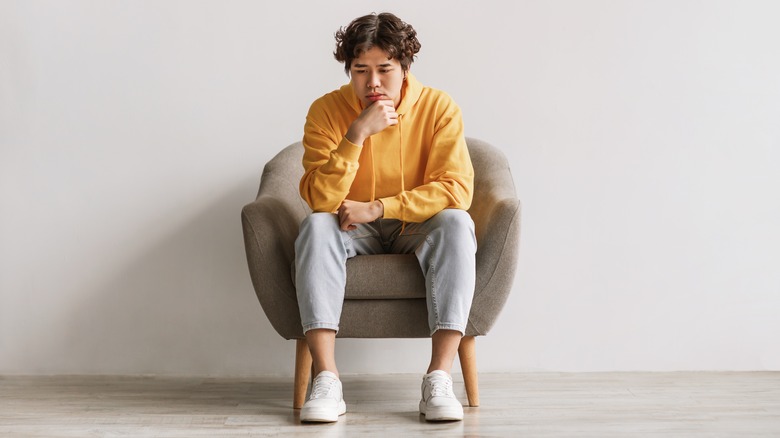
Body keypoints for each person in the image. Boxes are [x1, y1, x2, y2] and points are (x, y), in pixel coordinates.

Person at [295, 12, 476, 423]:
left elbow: (456, 190)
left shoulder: (438, 107)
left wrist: (379, 207)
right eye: (361, 70)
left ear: (405, 67)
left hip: (415, 225)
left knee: (456, 223)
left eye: (384, 70)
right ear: (349, 71)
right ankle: (326, 379)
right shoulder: (325, 111)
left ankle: (439, 379)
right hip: (348, 226)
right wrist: (356, 134)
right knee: (314, 226)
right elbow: (320, 199)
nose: (372, 83)